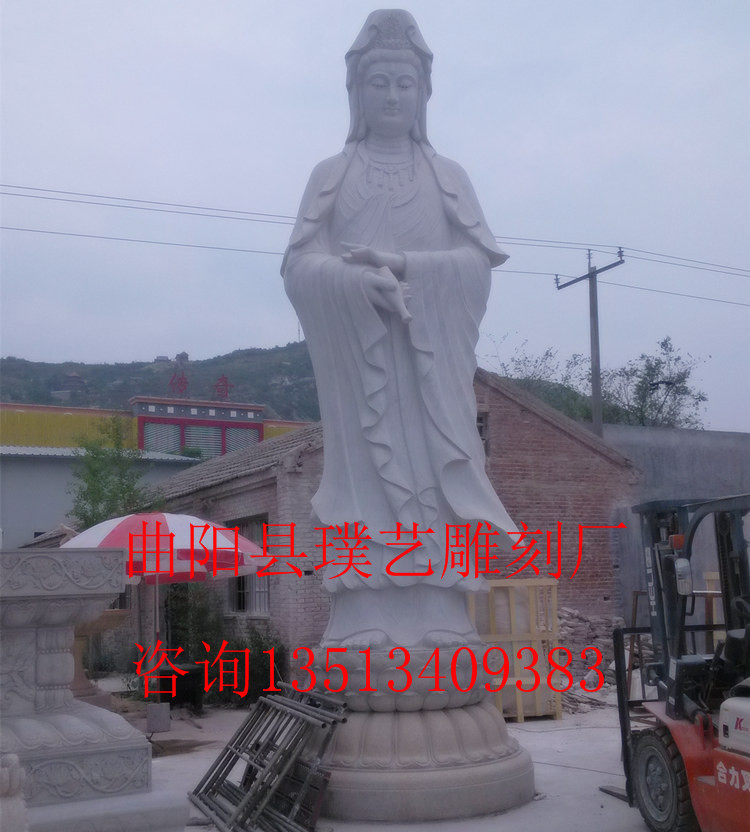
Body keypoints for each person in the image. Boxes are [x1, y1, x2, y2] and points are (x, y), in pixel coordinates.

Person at [282, 10, 517, 647]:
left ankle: (441, 608)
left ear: (423, 93)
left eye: (404, 83)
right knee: (366, 475)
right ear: (356, 92)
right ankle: (363, 611)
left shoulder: (448, 178)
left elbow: (476, 266)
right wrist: (357, 284)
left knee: (434, 474)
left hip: (427, 362)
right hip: (360, 361)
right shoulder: (331, 175)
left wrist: (407, 266)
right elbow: (299, 268)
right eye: (378, 82)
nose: (391, 96)